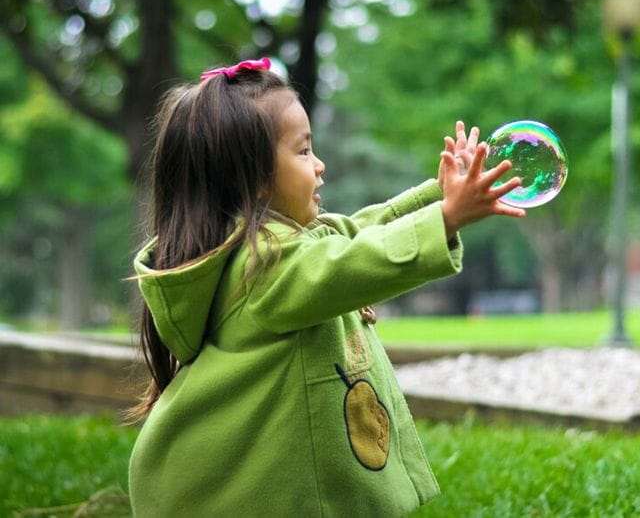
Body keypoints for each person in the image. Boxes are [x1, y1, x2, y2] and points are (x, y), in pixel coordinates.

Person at [127, 57, 525, 517]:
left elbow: (352, 233)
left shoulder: (271, 249)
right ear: (254, 180)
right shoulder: (264, 267)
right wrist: (448, 218)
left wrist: (438, 194)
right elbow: (352, 261)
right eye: (302, 151)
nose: (319, 166)